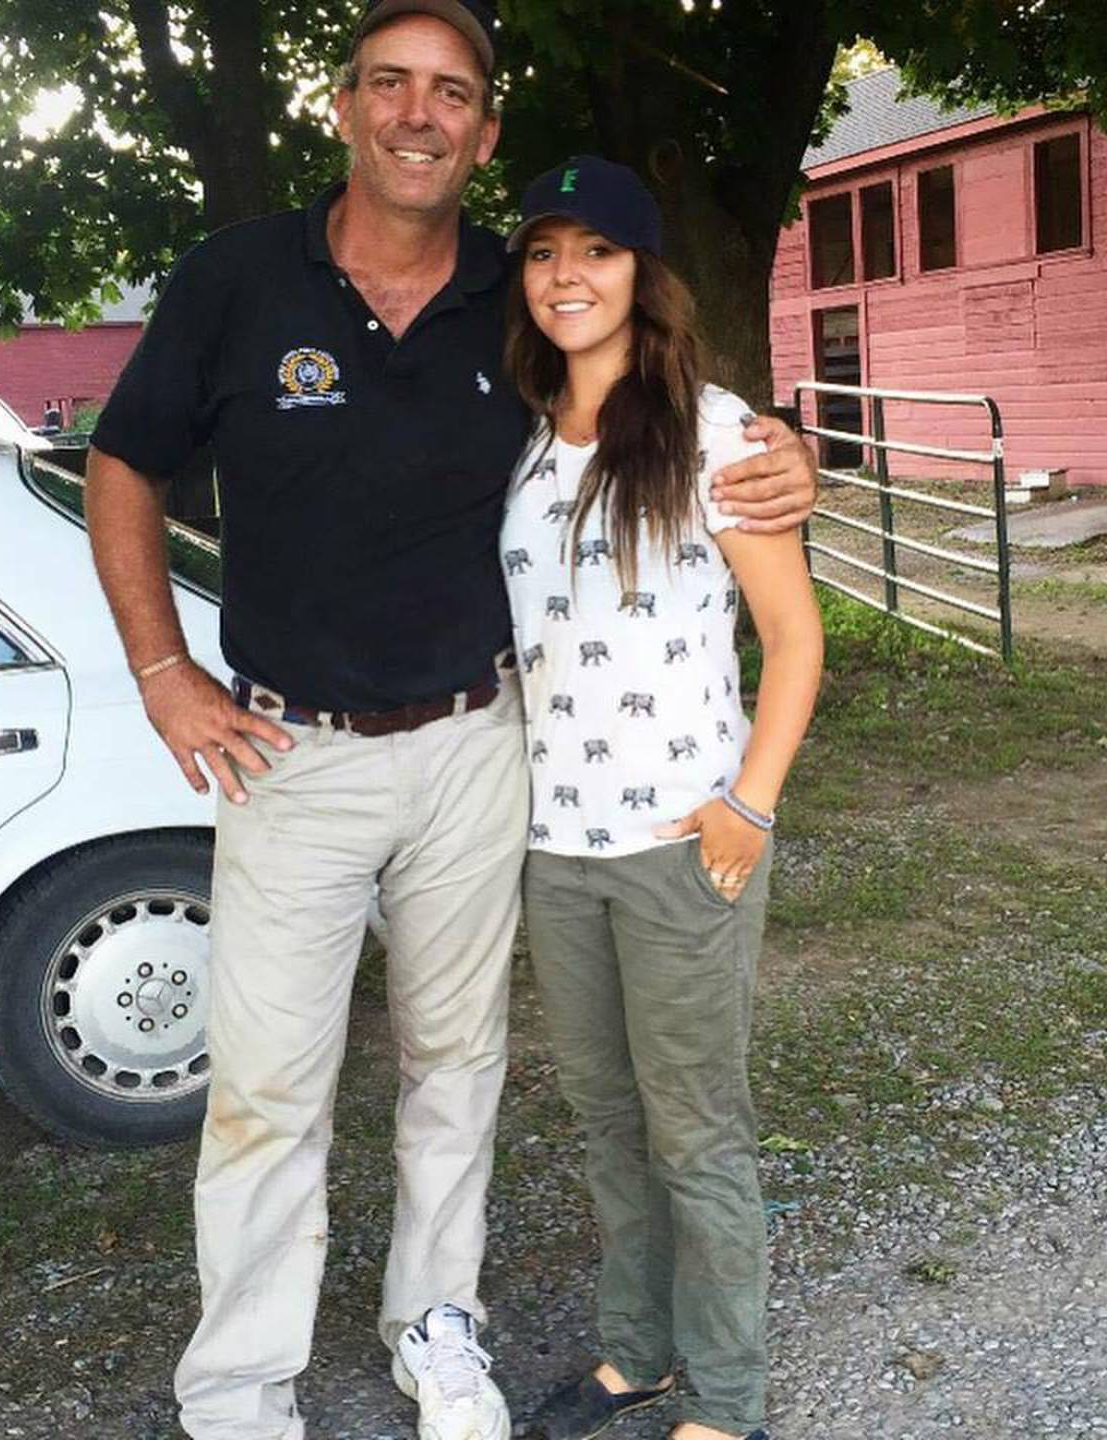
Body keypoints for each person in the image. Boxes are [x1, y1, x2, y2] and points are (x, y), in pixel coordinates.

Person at [82, 4, 818, 1439]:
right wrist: (165, 670)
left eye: (454, 95)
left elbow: (663, 406)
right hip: (290, 755)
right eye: (392, 87)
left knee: (458, 1067)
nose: (420, 116)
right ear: (345, 107)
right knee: (267, 1087)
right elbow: (124, 465)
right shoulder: (237, 279)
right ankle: (240, 1383)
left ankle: (440, 1327)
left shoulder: (511, 292)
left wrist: (792, 452)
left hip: (486, 752)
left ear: (483, 133)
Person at [499, 158, 823, 1440]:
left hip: (682, 842)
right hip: (556, 847)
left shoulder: (717, 432)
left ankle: (730, 1396)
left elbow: (794, 639)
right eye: (542, 254)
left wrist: (750, 803)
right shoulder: (526, 447)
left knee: (696, 1133)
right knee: (605, 1122)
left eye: (597, 252)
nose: (567, 277)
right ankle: (636, 1352)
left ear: (643, 276)